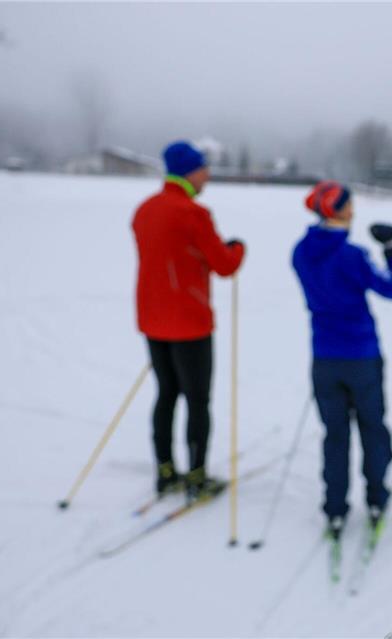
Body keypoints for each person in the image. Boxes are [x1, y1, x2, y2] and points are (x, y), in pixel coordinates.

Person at [291, 181, 392, 539]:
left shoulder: (300, 252)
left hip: (324, 359)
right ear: (335, 211)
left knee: (335, 435)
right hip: (361, 357)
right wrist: (391, 250)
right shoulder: (352, 256)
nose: (354, 211)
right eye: (349, 206)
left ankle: (335, 506)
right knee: (372, 428)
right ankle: (376, 498)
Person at [132, 141, 245, 500]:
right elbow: (224, 265)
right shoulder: (194, 213)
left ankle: (166, 471)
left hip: (153, 319)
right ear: (190, 172)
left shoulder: (145, 210)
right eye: (203, 169)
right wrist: (237, 248)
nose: (207, 175)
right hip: (190, 323)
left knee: (166, 394)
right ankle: (196, 477)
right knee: (197, 400)